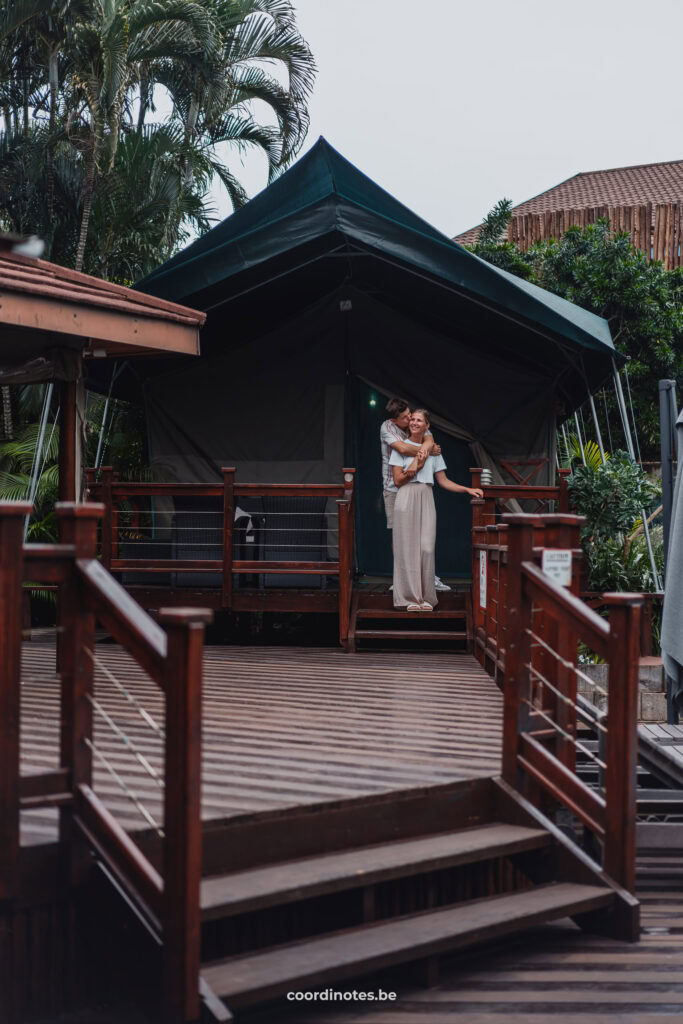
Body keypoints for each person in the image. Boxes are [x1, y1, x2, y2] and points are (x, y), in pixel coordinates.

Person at [390, 409, 483, 610]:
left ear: (427, 426)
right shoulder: (400, 448)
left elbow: (444, 481)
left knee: (426, 547)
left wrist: (468, 489)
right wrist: (411, 472)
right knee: (407, 548)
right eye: (412, 419)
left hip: (426, 495)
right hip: (406, 495)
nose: (414, 422)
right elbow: (397, 481)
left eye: (419, 420)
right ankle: (409, 599)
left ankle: (425, 597)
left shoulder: (434, 451)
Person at [379, 397, 450, 592]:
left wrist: (429, 447)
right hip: (394, 488)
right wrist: (428, 451)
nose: (410, 419)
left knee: (423, 535)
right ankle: (401, 578)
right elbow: (402, 448)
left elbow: (430, 439)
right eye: (405, 417)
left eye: (411, 414)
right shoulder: (387, 428)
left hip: (417, 488)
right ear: (395, 421)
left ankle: (427, 577)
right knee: (399, 535)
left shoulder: (417, 424)